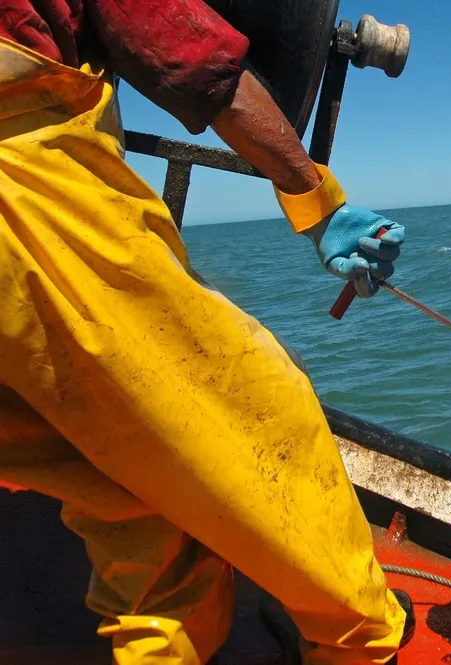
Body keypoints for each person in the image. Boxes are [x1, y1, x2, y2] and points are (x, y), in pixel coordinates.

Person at [0, 1, 416, 663]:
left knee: (131, 491)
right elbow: (193, 58)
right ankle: (360, 643)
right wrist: (319, 202)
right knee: (265, 414)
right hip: (22, 191)